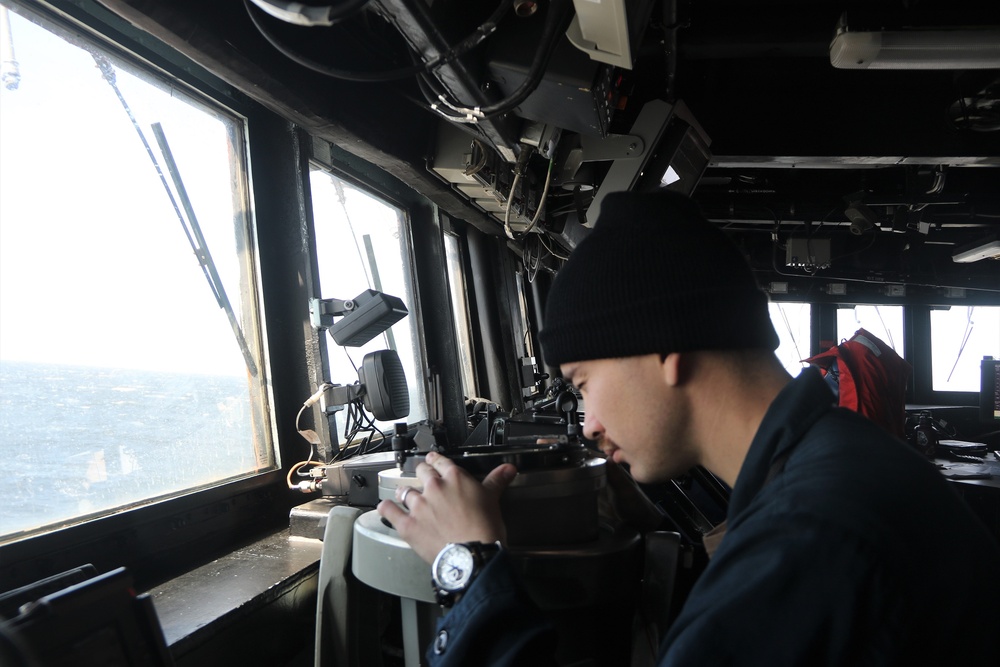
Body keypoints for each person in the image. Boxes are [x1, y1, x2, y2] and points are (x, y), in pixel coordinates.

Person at [377, 191, 1000, 666]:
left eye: (583, 382)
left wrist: (467, 565)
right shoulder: (836, 464)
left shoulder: (811, 541)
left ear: (663, 347)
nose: (587, 423)